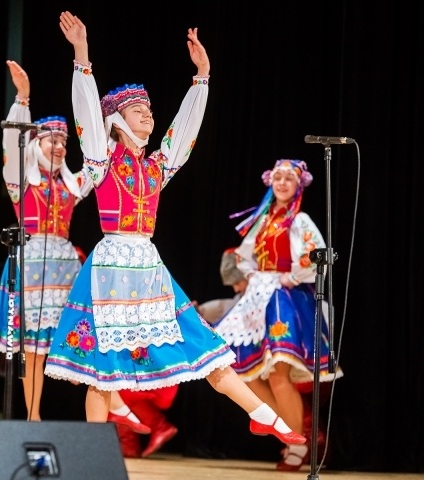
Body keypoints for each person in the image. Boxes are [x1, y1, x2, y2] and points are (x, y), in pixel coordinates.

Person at [43, 11, 305, 448]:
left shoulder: (155, 168)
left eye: (148, 109)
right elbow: (86, 114)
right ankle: (92, 459)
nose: (148, 115)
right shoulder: (101, 160)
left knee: (204, 346)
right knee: (101, 371)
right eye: (138, 110)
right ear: (117, 120)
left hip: (147, 263)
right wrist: (82, 56)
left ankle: (265, 417)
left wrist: (202, 78)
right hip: (111, 266)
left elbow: (182, 135)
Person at [214, 159, 341, 471]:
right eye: (279, 178)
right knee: (243, 370)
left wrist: (293, 277)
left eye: (289, 179)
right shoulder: (263, 220)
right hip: (259, 297)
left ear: (299, 185)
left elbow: (318, 255)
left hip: (287, 299)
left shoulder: (300, 220)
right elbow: (242, 255)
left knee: (279, 372)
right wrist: (250, 276)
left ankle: (297, 445)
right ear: (270, 182)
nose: (283, 183)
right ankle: (288, 434)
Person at [0, 60, 93, 421]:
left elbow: (99, 164)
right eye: (53, 140)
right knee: (32, 349)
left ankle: (115, 405)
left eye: (64, 141)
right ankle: (33, 416)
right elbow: (11, 143)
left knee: (76, 338)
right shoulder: (22, 180)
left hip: (64, 266)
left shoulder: (71, 184)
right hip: (32, 262)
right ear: (38, 143)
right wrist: (22, 99)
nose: (60, 146)